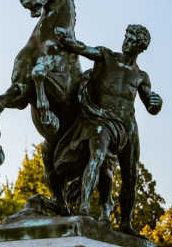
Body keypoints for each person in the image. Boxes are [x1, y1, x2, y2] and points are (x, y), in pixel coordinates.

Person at [53, 24, 163, 236]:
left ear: (140, 48)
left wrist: (155, 104)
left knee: (131, 176)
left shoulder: (141, 76)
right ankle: (84, 207)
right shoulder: (106, 56)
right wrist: (68, 41)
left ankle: (126, 222)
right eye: (126, 37)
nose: (126, 42)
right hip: (102, 120)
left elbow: (150, 103)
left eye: (132, 41)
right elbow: (83, 48)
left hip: (128, 127)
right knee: (98, 157)